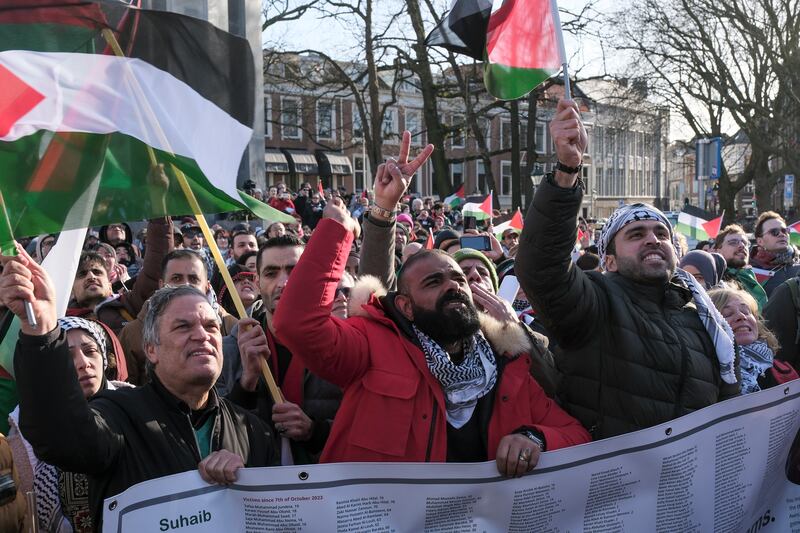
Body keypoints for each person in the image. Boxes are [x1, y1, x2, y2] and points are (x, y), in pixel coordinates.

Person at [274, 134, 589, 476]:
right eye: (433, 282)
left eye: (457, 279)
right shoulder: (371, 346)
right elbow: (296, 322)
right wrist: (337, 231)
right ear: (406, 308)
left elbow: (577, 435)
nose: (453, 285)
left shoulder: (509, 367)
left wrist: (536, 438)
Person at [0, 251, 278, 529]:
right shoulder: (117, 415)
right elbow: (59, 435)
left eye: (211, 326)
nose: (202, 335)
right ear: (151, 349)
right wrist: (42, 330)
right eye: (183, 326)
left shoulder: (253, 430)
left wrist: (246, 482)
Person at [516, 99, 741, 439]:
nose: (652, 240)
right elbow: (542, 268)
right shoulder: (596, 301)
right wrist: (567, 171)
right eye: (636, 234)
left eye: (661, 233)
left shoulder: (702, 319)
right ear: (609, 260)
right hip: (618, 484)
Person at [221, 235, 342, 464]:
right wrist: (246, 383)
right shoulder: (229, 350)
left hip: (326, 488)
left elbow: (365, 425)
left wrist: (314, 431)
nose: (283, 283)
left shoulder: (340, 345)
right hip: (258, 493)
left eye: (294, 271)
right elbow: (217, 436)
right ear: (257, 282)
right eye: (271, 273)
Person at [8, 316, 130, 532]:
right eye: (66, 355)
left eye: (90, 351)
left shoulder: (137, 408)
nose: (83, 363)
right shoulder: (22, 435)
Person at [119, 249, 239, 385]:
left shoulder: (232, 327)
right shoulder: (133, 332)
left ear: (207, 287)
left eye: (193, 279)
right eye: (176, 278)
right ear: (162, 285)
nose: (185, 284)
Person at [709, 288, 784, 395]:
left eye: (746, 311)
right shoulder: (707, 372)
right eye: (728, 314)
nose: (741, 316)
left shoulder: (780, 369)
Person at [714, 224, 767, 311]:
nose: (742, 245)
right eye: (733, 242)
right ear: (717, 251)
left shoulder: (750, 277)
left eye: (745, 243)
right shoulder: (712, 281)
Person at [749, 211, 800, 297]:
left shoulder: (798, 265)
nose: (781, 234)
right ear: (760, 241)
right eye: (774, 232)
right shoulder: (750, 274)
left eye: (785, 231)